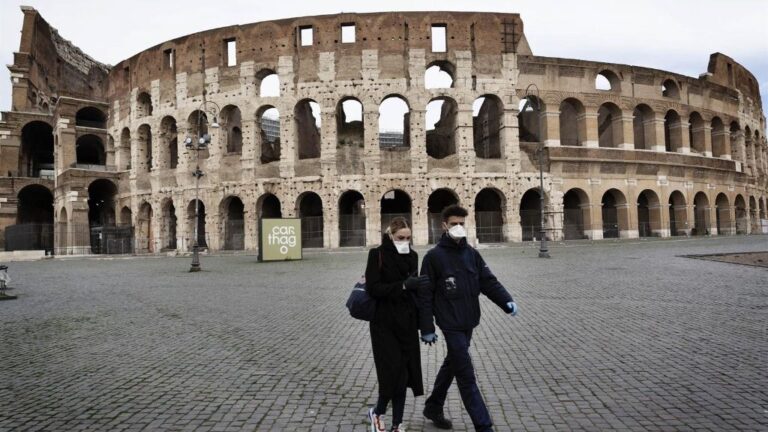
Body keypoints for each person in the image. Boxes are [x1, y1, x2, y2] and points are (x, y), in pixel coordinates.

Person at [417, 205, 518, 432]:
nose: (458, 227)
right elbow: (425, 295)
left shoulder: (472, 253)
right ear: (444, 225)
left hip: (469, 319)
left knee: (453, 362)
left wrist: (506, 301)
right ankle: (483, 425)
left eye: (462, 223)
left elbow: (488, 281)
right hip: (449, 322)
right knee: (466, 373)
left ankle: (433, 406)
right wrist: (426, 327)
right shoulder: (433, 257)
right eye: (454, 224)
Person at [365, 217, 425, 432]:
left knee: (405, 374)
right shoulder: (377, 254)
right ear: (391, 235)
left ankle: (396, 424)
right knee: (392, 372)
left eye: (408, 238)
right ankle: (378, 412)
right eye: (401, 237)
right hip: (384, 323)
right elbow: (373, 288)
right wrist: (403, 286)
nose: (405, 241)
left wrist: (425, 324)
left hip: (407, 323)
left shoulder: (413, 256)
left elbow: (414, 292)